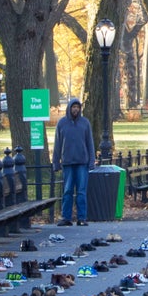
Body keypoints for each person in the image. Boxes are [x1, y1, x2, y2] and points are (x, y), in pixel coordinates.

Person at [52, 97, 95, 226]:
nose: (75, 109)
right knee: (67, 190)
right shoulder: (62, 123)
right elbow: (57, 144)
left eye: (77, 107)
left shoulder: (85, 123)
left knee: (81, 191)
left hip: (82, 162)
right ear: (69, 108)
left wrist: (91, 161)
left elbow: (90, 143)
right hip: (68, 162)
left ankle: (82, 218)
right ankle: (66, 217)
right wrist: (56, 162)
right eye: (73, 107)